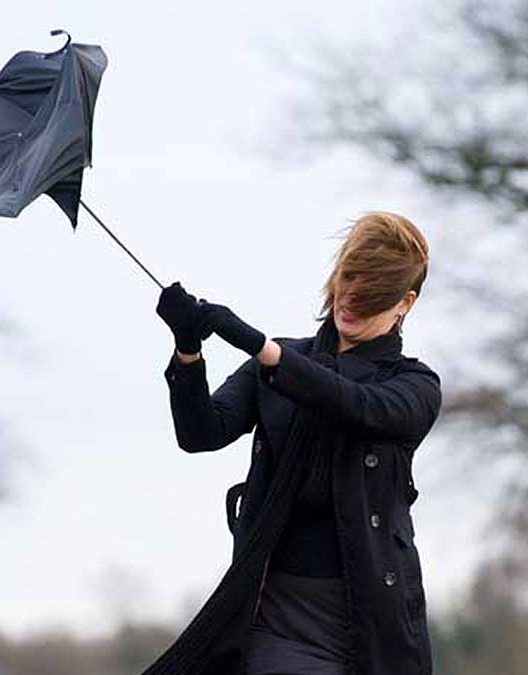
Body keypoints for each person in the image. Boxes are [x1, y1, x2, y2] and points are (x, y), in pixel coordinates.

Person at [148, 212, 442, 675]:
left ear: (404, 303)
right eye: (348, 282)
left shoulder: (413, 386)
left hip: (371, 624)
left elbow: (354, 403)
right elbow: (201, 433)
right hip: (276, 611)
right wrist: (188, 351)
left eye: (370, 298)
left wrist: (263, 350)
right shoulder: (283, 362)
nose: (350, 301)